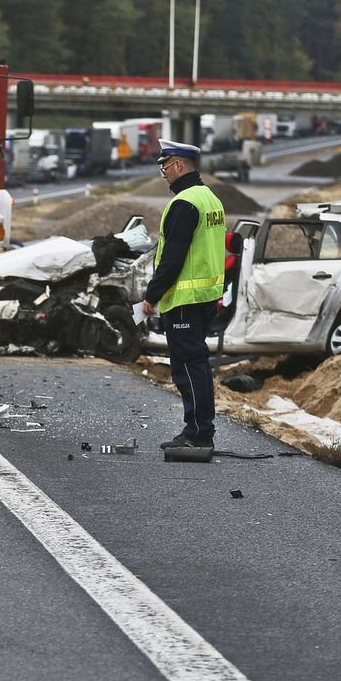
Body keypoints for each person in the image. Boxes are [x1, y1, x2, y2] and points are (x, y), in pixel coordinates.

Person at [141, 139, 226, 450]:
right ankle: (201, 430)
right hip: (205, 298)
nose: (163, 173)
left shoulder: (184, 203)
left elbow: (173, 257)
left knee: (188, 367)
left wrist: (153, 293)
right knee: (198, 365)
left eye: (165, 167)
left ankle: (197, 433)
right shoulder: (210, 199)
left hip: (184, 302)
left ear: (178, 165)